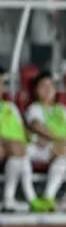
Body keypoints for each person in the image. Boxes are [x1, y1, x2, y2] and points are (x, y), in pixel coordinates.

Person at [25, 71, 66, 210]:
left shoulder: (62, 109)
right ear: (36, 90)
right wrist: (61, 140)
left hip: (63, 148)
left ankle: (49, 197)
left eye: (51, 86)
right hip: (43, 146)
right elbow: (37, 126)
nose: (48, 90)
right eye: (43, 86)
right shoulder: (34, 108)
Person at [0, 68, 41, 212]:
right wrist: (7, 142)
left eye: (2, 83)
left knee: (22, 149)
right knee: (18, 149)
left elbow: (23, 130)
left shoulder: (10, 106)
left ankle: (12, 199)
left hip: (19, 145)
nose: (0, 87)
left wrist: (36, 138)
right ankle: (27, 197)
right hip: (6, 145)